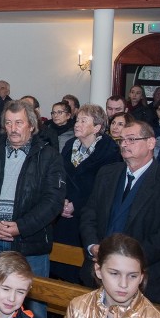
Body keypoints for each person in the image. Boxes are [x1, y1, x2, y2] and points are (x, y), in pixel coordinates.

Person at [0, 100, 66, 318]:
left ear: (31, 125)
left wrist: (20, 227)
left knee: (33, 313)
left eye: (19, 123)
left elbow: (53, 202)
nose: (13, 128)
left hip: (29, 245)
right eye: (9, 123)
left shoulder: (48, 155)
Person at [79, 121, 160, 306]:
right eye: (121, 140)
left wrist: (126, 260)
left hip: (148, 279)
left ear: (151, 143)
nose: (124, 144)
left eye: (131, 139)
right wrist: (92, 246)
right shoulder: (107, 173)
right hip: (99, 274)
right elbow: (89, 214)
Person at [53, 104, 121, 284]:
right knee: (59, 269)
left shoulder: (109, 151)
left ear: (97, 127)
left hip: (89, 219)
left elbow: (104, 189)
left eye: (84, 120)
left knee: (82, 274)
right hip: (64, 214)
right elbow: (58, 176)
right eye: (77, 120)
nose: (77, 124)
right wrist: (62, 201)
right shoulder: (69, 145)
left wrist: (77, 203)